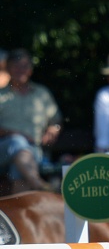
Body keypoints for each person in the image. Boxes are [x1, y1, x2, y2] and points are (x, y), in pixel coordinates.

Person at [0, 49, 62, 193]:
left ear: (30, 69)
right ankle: (38, 184)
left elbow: (56, 120)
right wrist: (15, 134)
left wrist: (53, 129)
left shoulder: (41, 93)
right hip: (3, 150)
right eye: (16, 66)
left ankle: (19, 213)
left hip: (34, 151)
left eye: (24, 66)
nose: (20, 70)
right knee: (17, 142)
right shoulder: (1, 95)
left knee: (20, 163)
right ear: (8, 69)